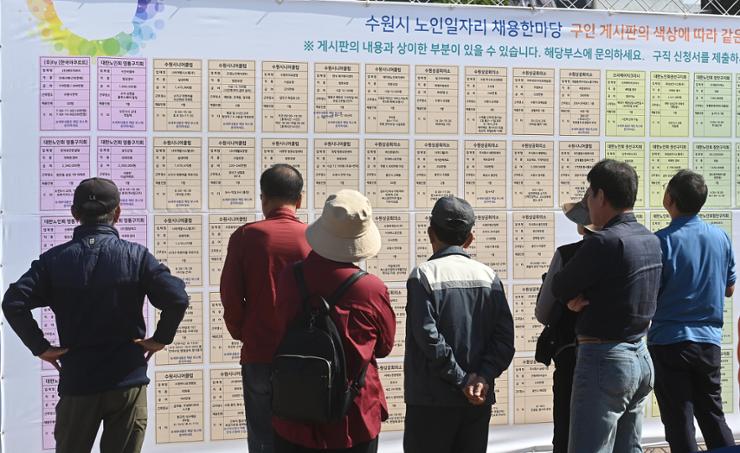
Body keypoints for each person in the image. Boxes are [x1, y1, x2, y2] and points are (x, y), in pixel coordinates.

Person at [2, 177, 189, 453]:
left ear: (74, 213)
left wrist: (40, 347)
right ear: (118, 212)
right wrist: (161, 339)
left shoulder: (53, 261)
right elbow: (177, 297)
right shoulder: (136, 257)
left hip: (78, 379)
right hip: (127, 380)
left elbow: (13, 302)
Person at [271, 189, 395, 453]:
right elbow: (384, 347)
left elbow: (280, 329)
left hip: (294, 410)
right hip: (352, 416)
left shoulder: (289, 278)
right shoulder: (371, 289)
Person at [551, 159, 662, 453]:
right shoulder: (650, 239)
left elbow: (560, 286)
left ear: (600, 196)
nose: (588, 202)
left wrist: (575, 300)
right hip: (640, 355)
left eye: (589, 194)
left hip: (604, 359)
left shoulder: (603, 241)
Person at [403, 196, 515, 453]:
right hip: (477, 400)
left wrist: (461, 379)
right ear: (470, 239)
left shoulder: (423, 276)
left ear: (430, 232)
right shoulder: (489, 277)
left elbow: (428, 337)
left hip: (431, 402)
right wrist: (482, 378)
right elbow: (505, 341)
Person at [220, 164, 311, 453]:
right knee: (304, 431)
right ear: (300, 200)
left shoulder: (246, 236)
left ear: (263, 198)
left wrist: (242, 331)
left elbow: (231, 296)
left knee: (262, 435)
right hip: (307, 355)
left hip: (260, 351)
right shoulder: (314, 239)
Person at [649, 170, 736, 452]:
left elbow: (649, 294)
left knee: (679, 420)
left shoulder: (661, 241)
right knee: (712, 415)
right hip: (708, 342)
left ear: (668, 199)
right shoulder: (720, 238)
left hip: (669, 342)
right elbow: (729, 289)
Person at [534, 196, 595, 453]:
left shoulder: (567, 255)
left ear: (582, 225)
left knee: (567, 436)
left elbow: (543, 312)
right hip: (622, 358)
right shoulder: (631, 249)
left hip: (572, 356)